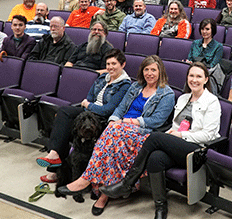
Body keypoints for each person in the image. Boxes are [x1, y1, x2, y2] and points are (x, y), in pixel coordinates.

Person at [99, 62, 220, 219]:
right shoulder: (183, 98)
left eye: (199, 76)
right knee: (155, 159)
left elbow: (209, 135)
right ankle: (160, 207)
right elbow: (176, 126)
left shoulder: (212, 101)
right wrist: (173, 132)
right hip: (177, 146)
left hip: (197, 150)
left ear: (206, 79)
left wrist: (181, 135)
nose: (194, 80)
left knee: (155, 137)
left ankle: (127, 183)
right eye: (191, 76)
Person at [57, 55, 175, 215]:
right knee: (112, 135)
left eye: (153, 69)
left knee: (112, 133)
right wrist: (113, 119)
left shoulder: (166, 94)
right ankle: (104, 193)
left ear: (160, 71)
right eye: (146, 69)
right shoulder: (136, 87)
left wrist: (132, 122)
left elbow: (157, 120)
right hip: (120, 129)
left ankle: (87, 181)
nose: (149, 73)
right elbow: (120, 108)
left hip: (143, 133)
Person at [35, 49, 131, 183]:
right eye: (108, 64)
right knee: (63, 114)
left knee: (66, 119)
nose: (110, 67)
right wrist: (88, 105)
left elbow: (107, 110)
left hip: (100, 118)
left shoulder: (125, 85)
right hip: (88, 111)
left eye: (114, 64)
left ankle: (54, 169)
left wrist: (88, 105)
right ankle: (54, 156)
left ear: (123, 64)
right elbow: (90, 96)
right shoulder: (103, 77)